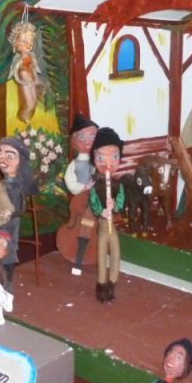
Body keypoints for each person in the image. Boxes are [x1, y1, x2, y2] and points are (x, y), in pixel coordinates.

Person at [0, 137, 38, 289]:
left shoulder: (18, 186)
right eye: (0, 154)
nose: (2, 159)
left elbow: (21, 209)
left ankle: (6, 283)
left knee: (7, 252)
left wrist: (11, 214)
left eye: (9, 155)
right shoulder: (1, 184)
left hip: (11, 225)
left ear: (20, 161)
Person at [88, 127, 125, 303]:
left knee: (116, 255)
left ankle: (112, 285)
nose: (108, 163)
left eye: (114, 157)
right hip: (103, 227)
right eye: (101, 158)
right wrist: (101, 211)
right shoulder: (96, 186)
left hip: (113, 228)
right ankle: (101, 287)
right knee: (101, 257)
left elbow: (121, 203)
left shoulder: (117, 185)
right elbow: (93, 202)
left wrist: (115, 206)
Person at [62, 114, 99, 276]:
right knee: (80, 222)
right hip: (81, 200)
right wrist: (84, 187)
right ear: (74, 140)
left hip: (95, 200)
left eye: (93, 136)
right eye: (82, 137)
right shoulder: (74, 164)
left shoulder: (97, 161)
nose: (88, 141)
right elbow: (69, 181)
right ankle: (77, 254)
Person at [7, 20, 47, 123]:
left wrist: (37, 82)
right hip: (24, 81)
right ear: (15, 43)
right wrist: (21, 78)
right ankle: (23, 115)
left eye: (30, 41)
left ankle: (26, 115)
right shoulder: (17, 58)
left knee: (34, 103)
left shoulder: (32, 56)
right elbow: (15, 71)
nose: (28, 45)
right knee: (28, 103)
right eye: (24, 41)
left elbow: (35, 70)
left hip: (31, 80)